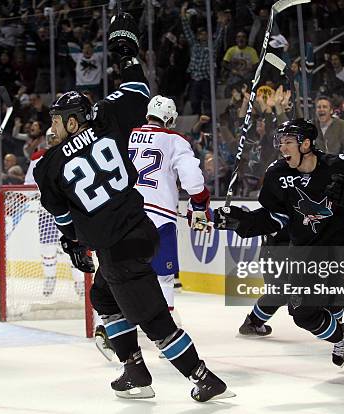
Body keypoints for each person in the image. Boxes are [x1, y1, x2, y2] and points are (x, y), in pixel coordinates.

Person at [33, 13, 232, 402]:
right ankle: (134, 370)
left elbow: (61, 217)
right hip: (140, 230)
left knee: (153, 317)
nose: (50, 128)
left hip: (116, 246)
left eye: (56, 121)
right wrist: (124, 49)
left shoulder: (48, 166)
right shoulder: (107, 121)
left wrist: (74, 243)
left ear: (73, 123)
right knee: (103, 299)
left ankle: (204, 376)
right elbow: (139, 90)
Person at [214, 118, 344, 384]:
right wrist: (243, 222)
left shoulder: (341, 165)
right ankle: (340, 337)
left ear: (306, 144)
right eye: (280, 142)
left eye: (288, 142)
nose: (282, 148)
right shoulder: (277, 174)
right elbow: (277, 218)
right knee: (303, 314)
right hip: (306, 254)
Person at [128, 94, 210, 346]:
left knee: (121, 274)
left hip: (125, 214)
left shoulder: (126, 135)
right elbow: (193, 180)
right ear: (170, 118)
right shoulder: (175, 139)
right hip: (159, 215)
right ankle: (166, 338)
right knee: (163, 278)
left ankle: (111, 329)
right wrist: (199, 202)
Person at [25, 127, 85, 298]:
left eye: (55, 137)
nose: (53, 140)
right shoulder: (38, 157)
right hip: (47, 211)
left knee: (74, 245)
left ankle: (80, 281)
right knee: (47, 247)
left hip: (71, 209)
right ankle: (50, 277)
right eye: (50, 137)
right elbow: (29, 184)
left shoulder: (74, 152)